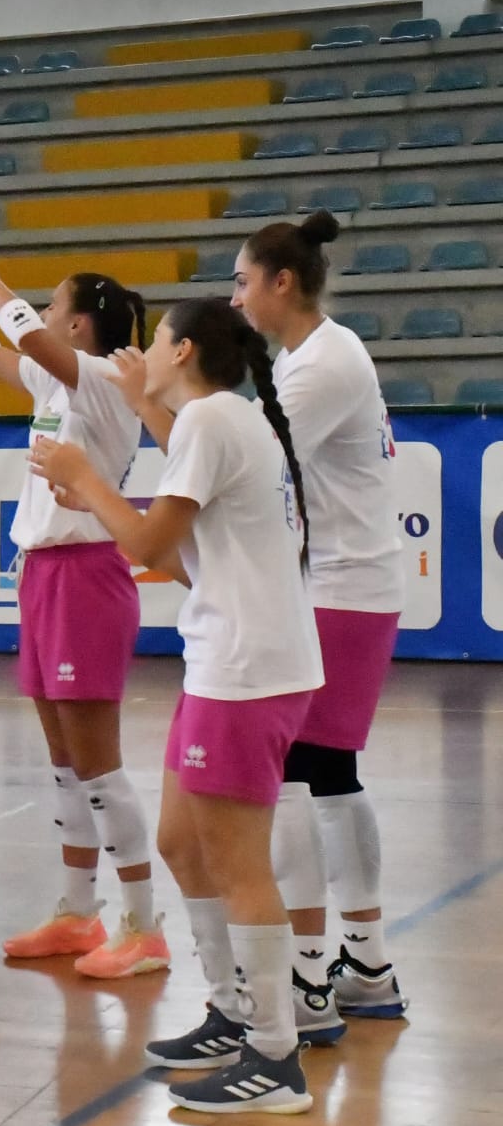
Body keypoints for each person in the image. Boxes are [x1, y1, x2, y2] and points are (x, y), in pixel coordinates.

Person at [33, 297, 323, 1115]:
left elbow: (151, 546)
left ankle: (274, 1055)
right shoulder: (221, 418)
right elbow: (175, 520)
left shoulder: (211, 423)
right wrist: (140, 408)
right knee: (178, 840)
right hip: (231, 659)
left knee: (237, 863)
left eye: (155, 338)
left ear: (184, 348)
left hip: (247, 665)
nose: (144, 348)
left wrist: (84, 475)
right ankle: (234, 1011)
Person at [0, 214, 168, 978]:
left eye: (52, 303)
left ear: (77, 322)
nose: (38, 312)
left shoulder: (101, 379)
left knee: (98, 763)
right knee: (65, 765)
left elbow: (26, 336)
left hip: (87, 576)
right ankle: (79, 911)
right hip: (42, 574)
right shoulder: (56, 377)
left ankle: (144, 922)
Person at [232, 210, 408, 1031]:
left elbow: (254, 462)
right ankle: (366, 961)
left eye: (241, 281)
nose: (235, 299)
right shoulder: (317, 355)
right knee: (331, 775)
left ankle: (306, 979)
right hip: (345, 585)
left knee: (298, 776)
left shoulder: (323, 363)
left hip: (341, 588)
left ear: (281, 282)